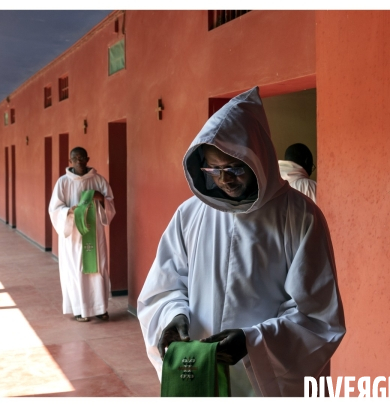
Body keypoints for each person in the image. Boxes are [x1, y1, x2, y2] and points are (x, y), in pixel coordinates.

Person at [137, 87, 345, 397]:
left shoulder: (299, 216)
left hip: (266, 381)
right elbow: (166, 286)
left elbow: (316, 316)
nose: (225, 179)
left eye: (235, 167)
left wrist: (252, 342)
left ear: (258, 158)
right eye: (214, 169)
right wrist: (173, 317)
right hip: (201, 372)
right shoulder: (191, 214)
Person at [48, 147, 115, 322]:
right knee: (76, 269)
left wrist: (101, 198)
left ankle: (100, 308)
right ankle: (79, 309)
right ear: (70, 161)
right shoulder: (63, 182)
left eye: (82, 157)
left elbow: (110, 205)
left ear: (87, 158)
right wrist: (69, 211)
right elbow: (54, 209)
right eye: (75, 158)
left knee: (97, 268)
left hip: (94, 232)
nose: (79, 160)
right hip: (74, 236)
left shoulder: (99, 180)